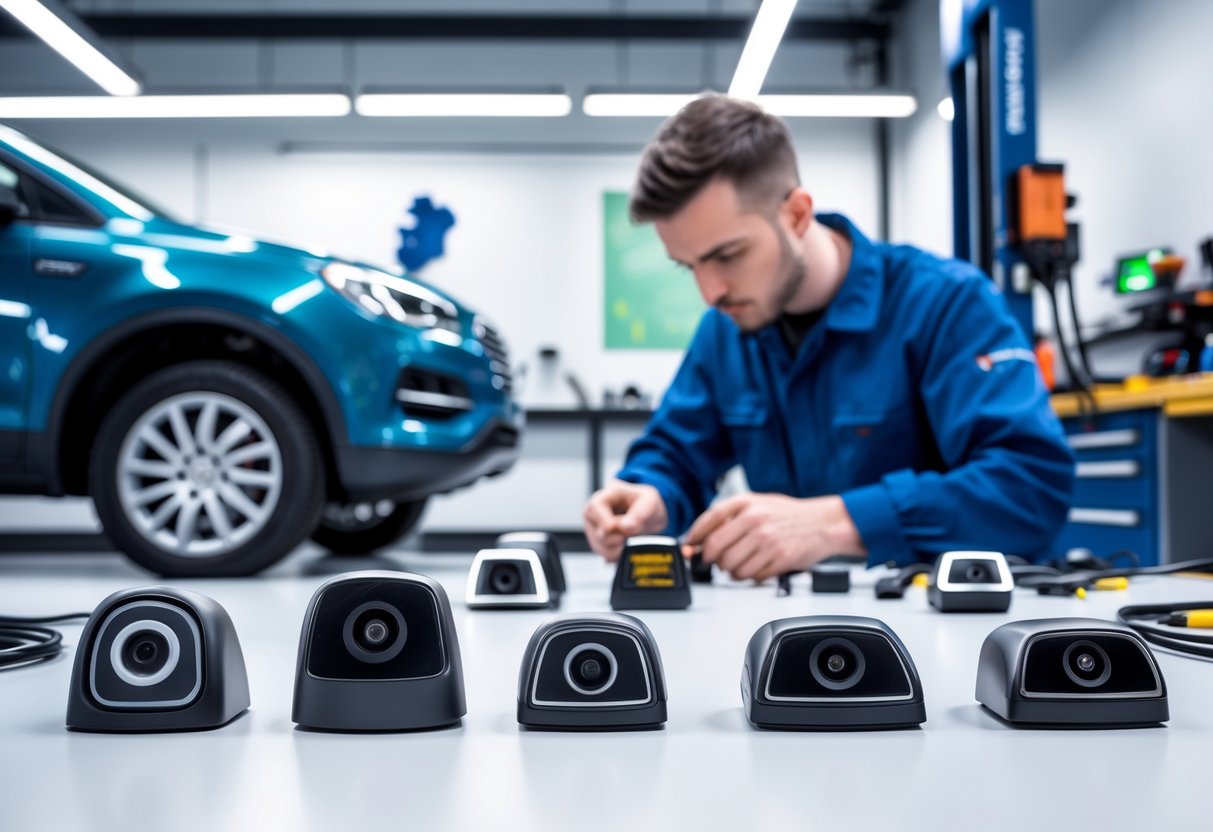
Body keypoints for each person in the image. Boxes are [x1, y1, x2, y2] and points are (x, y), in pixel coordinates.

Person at [582, 94, 1074, 582]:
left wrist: (838, 523)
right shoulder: (726, 331)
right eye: (689, 266)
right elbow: (676, 454)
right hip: (798, 627)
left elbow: (1029, 486)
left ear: (796, 215)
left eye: (728, 255)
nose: (710, 292)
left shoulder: (947, 303)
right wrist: (650, 497)